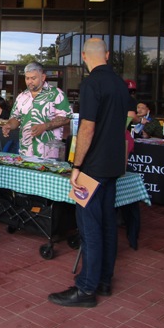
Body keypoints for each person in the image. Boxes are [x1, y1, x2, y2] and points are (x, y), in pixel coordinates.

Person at [48, 38, 130, 308]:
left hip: (92, 167)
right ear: (107, 55)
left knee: (89, 228)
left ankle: (86, 288)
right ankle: (104, 280)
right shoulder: (120, 84)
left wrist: (77, 165)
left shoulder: (91, 84)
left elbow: (87, 128)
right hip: (113, 165)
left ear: (83, 56)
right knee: (107, 225)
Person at [2, 62, 72, 159]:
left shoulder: (56, 94)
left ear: (43, 77)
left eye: (33, 78)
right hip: (25, 152)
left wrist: (45, 126)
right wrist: (9, 125)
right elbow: (16, 118)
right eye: (27, 78)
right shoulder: (21, 97)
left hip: (49, 153)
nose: (29, 81)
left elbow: (66, 118)